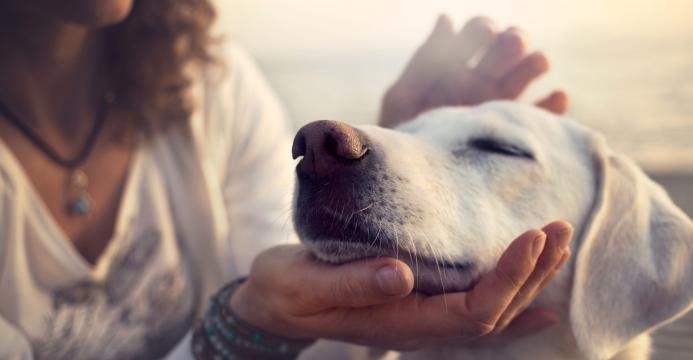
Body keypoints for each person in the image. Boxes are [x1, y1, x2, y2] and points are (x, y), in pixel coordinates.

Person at [0, 1, 572, 359]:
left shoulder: (206, 83)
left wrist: (404, 171)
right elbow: (275, 311)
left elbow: (319, 341)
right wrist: (245, 326)